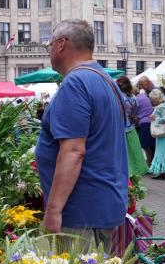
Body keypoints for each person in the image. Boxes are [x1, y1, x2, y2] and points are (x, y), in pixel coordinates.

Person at [35, 19, 128, 252]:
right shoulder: (106, 80)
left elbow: (73, 151)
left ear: (61, 44)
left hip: (81, 212)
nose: (49, 50)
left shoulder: (75, 83)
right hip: (101, 205)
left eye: (50, 44)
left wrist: (54, 210)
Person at [116, 76, 149, 177]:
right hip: (131, 129)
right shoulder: (134, 98)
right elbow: (134, 114)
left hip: (119, 129)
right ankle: (134, 178)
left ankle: (124, 177)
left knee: (121, 155)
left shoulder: (117, 97)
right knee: (134, 154)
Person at [148, 89, 165, 179]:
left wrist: (155, 118)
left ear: (156, 98)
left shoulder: (161, 106)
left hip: (163, 133)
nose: (151, 100)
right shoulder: (163, 105)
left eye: (152, 98)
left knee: (162, 152)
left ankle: (163, 172)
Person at [136, 76, 156, 166]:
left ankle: (150, 164)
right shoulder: (146, 94)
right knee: (150, 145)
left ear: (147, 82)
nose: (141, 86)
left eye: (142, 84)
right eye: (140, 84)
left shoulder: (154, 91)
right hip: (150, 121)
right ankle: (151, 163)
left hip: (149, 121)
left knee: (147, 145)